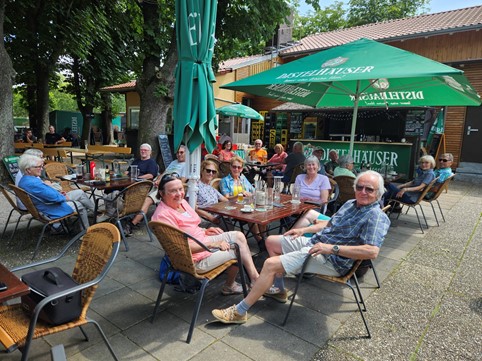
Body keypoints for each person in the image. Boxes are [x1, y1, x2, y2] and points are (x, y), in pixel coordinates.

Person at [211, 170, 390, 323]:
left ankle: (239, 312)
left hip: (333, 259)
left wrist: (332, 248)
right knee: (271, 241)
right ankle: (280, 290)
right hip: (317, 244)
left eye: (369, 189)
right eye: (360, 187)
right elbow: (329, 225)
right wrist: (304, 230)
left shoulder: (375, 216)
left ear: (379, 193)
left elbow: (371, 252)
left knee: (270, 264)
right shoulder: (351, 204)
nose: (363, 192)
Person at [151, 173, 260, 295]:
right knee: (237, 249)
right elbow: (181, 248)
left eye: (180, 189)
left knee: (238, 236)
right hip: (196, 260)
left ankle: (254, 279)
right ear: (161, 193)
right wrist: (214, 244)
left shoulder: (181, 203)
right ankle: (234, 284)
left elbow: (189, 228)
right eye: (173, 191)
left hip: (203, 243)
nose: (179, 194)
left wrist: (205, 231)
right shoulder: (162, 216)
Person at [15, 149, 95, 222]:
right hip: (51, 209)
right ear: (28, 169)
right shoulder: (33, 183)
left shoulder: (25, 180)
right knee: (79, 205)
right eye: (39, 167)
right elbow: (53, 198)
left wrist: (59, 194)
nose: (42, 169)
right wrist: (62, 197)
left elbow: (47, 193)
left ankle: (95, 213)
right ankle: (84, 231)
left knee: (80, 192)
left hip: (46, 204)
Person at [127, 145, 186, 233]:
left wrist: (164, 184)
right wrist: (158, 179)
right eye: (177, 152)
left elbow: (181, 182)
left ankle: (132, 224)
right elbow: (164, 173)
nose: (179, 154)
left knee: (147, 200)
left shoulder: (186, 165)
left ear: (186, 153)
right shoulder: (174, 162)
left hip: (167, 189)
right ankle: (131, 217)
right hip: (157, 184)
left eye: (181, 152)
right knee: (137, 195)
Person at [219, 156, 265, 245]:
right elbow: (226, 198)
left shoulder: (243, 178)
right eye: (234, 167)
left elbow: (254, 191)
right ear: (230, 167)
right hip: (233, 208)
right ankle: (260, 241)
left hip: (246, 204)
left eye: (239, 167)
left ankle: (263, 237)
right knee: (251, 217)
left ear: (242, 168)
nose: (236, 169)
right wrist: (238, 195)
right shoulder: (225, 181)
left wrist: (249, 194)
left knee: (262, 214)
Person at [195, 160, 229, 226]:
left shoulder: (211, 188)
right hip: (205, 219)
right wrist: (210, 217)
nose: (211, 173)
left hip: (218, 216)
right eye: (208, 170)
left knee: (230, 225)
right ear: (202, 170)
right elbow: (193, 207)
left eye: (213, 172)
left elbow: (226, 201)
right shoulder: (195, 186)